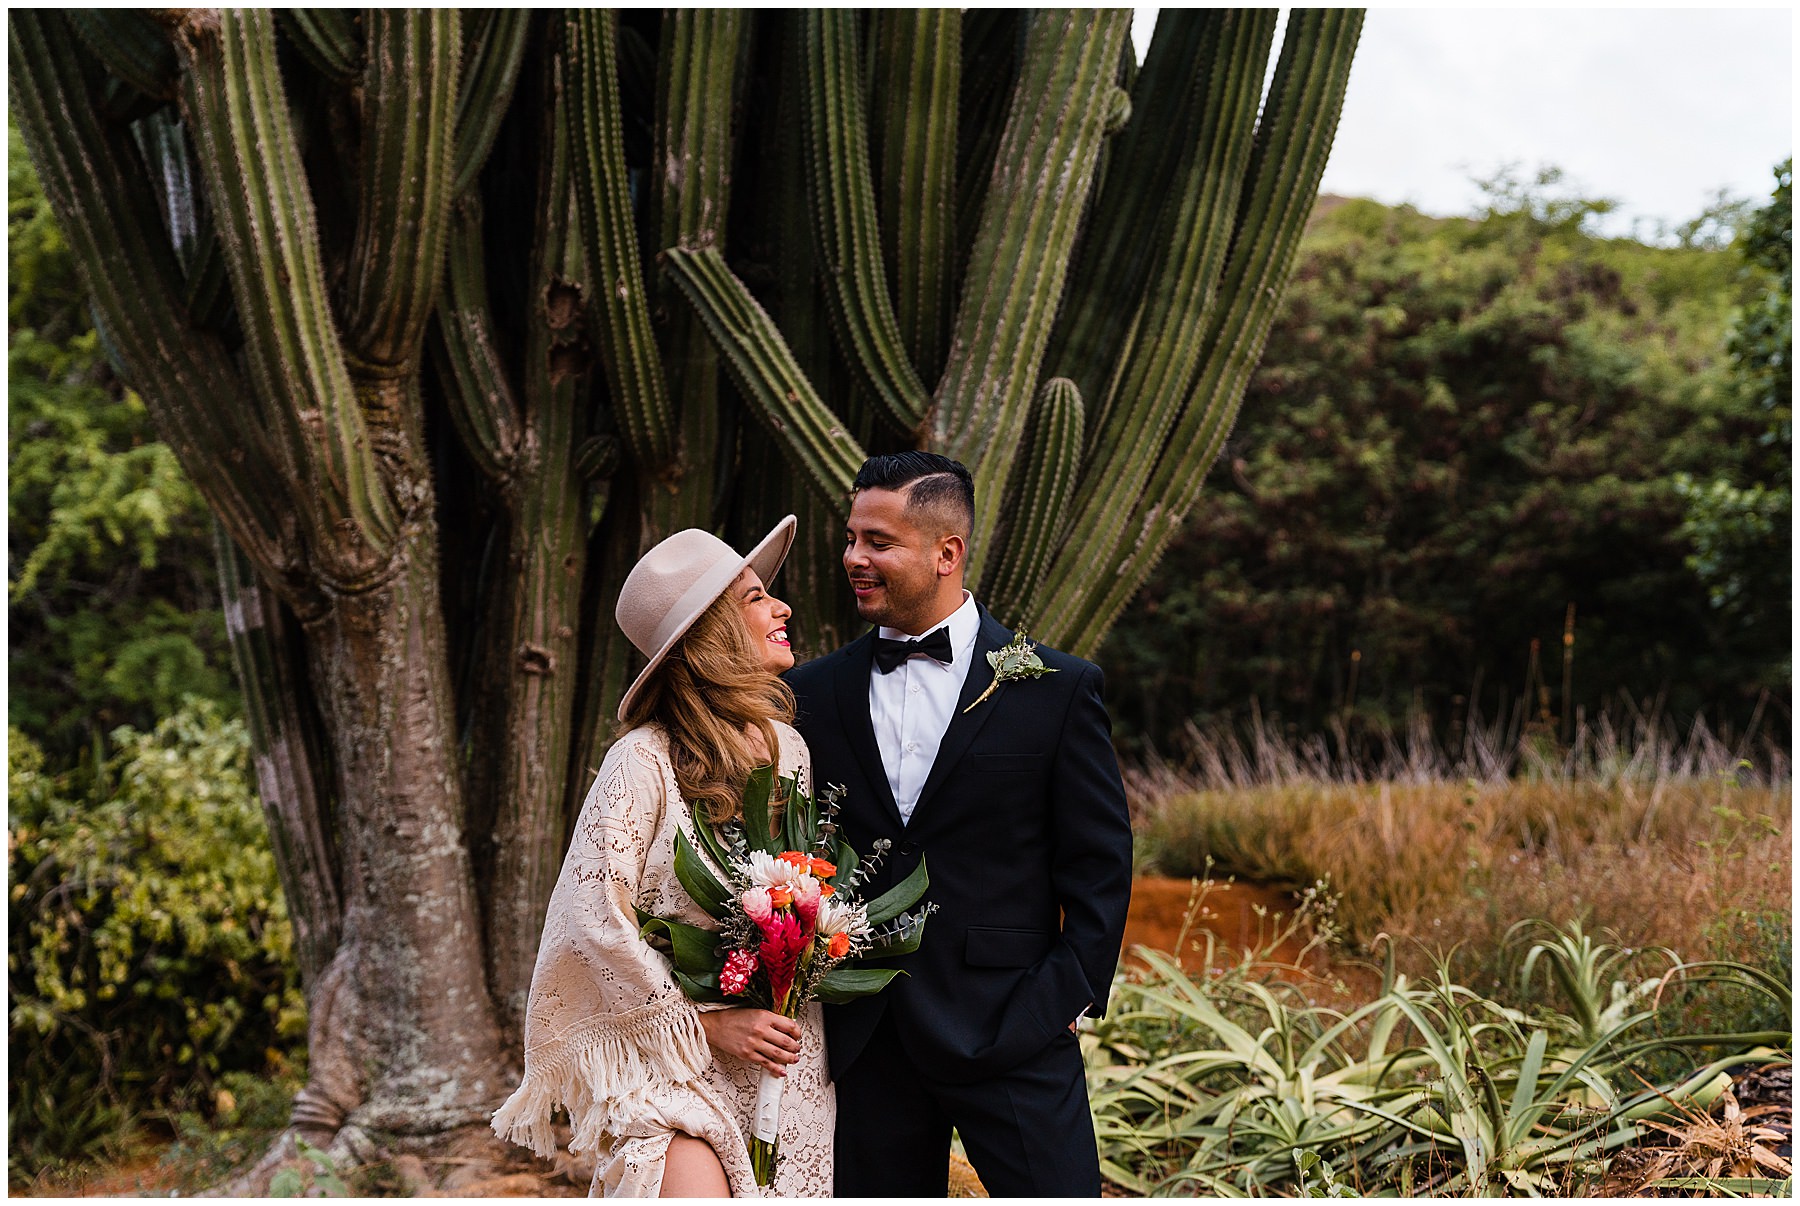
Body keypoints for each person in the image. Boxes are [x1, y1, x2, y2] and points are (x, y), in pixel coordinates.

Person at [784, 452, 1133, 1196]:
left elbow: (1100, 869)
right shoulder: (809, 693)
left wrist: (1056, 1001)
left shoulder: (1057, 688)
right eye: (850, 539)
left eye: (878, 542)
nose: (854, 559)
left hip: (1012, 1027)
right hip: (865, 1039)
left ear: (948, 553)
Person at [491, 516, 836, 1197]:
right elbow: (589, 924)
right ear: (711, 635)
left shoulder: (788, 750)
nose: (782, 606)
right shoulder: (640, 762)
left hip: (789, 1067)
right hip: (679, 1082)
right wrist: (705, 1029)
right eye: (754, 598)